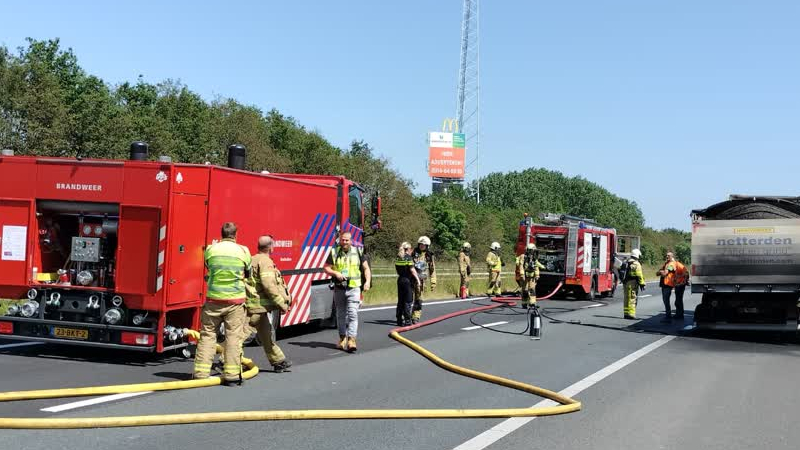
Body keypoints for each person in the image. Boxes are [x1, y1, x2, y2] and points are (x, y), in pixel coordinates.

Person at [194, 222, 251, 385]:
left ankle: (200, 373)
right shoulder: (243, 250)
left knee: (207, 335)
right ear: (236, 234)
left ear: (221, 234)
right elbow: (248, 271)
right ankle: (232, 376)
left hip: (213, 299)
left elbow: (207, 266)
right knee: (233, 337)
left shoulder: (211, 250)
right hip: (235, 301)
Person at [245, 235, 293, 372]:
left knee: (266, 335)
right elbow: (269, 285)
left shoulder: (252, 259)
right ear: (271, 247)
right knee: (243, 335)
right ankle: (224, 360)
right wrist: (281, 304)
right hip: (257, 306)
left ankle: (278, 361)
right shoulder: (265, 262)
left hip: (258, 306)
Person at [324, 231, 371, 352]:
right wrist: (336, 273)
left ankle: (352, 340)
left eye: (347, 240)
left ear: (351, 241)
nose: (344, 242)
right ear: (340, 240)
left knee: (353, 314)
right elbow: (326, 268)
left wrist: (367, 282)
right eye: (343, 240)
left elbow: (366, 268)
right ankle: (342, 338)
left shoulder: (358, 251)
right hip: (339, 287)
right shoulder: (334, 251)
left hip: (354, 288)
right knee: (340, 314)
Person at [411, 236, 436, 323]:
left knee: (419, 299)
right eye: (421, 244)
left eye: (424, 245)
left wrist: (433, 281)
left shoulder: (429, 256)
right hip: (411, 279)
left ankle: (416, 316)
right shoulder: (413, 253)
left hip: (421, 281)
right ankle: (406, 315)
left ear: (427, 246)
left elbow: (432, 270)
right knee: (408, 299)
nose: (422, 246)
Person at [657, 252, 688, 322]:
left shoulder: (672, 264)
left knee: (676, 300)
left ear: (672, 257)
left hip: (675, 284)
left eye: (669, 256)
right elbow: (658, 272)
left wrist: (684, 281)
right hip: (676, 284)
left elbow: (665, 273)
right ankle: (678, 314)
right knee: (677, 300)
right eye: (666, 255)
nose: (667, 257)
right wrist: (660, 272)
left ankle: (674, 315)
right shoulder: (668, 263)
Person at [395, 242, 420, 326]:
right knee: (408, 301)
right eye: (411, 249)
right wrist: (418, 280)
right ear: (408, 249)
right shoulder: (408, 258)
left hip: (400, 280)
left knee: (400, 301)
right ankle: (407, 321)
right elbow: (412, 270)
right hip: (407, 281)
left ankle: (399, 319)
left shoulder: (398, 257)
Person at [516, 243, 545, 308]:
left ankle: (532, 303)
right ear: (529, 250)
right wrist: (522, 274)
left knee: (532, 289)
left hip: (532, 277)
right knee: (525, 290)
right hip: (525, 276)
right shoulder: (523, 257)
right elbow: (521, 266)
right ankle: (524, 303)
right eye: (532, 250)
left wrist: (537, 275)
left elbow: (536, 267)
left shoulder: (534, 258)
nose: (533, 252)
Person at [623, 248, 646, 320]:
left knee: (626, 298)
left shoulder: (626, 262)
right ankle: (631, 314)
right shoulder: (636, 263)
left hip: (626, 282)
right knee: (632, 298)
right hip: (633, 283)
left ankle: (626, 313)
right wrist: (642, 284)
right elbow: (639, 275)